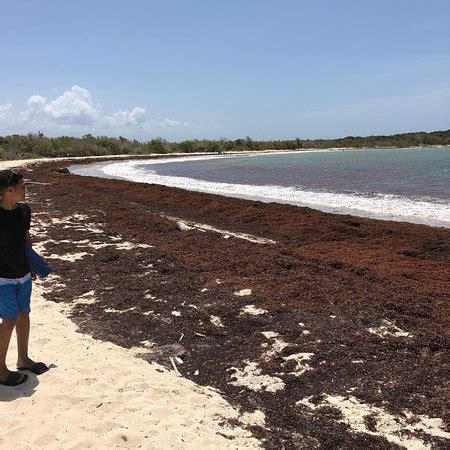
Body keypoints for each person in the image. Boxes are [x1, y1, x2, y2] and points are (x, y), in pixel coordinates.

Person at [0, 169, 48, 386]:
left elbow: (26, 240)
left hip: (23, 274)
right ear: (8, 190)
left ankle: (23, 359)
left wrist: (33, 265)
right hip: (2, 278)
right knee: (9, 319)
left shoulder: (24, 211)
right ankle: (0, 369)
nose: (25, 189)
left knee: (24, 315)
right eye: (22, 186)